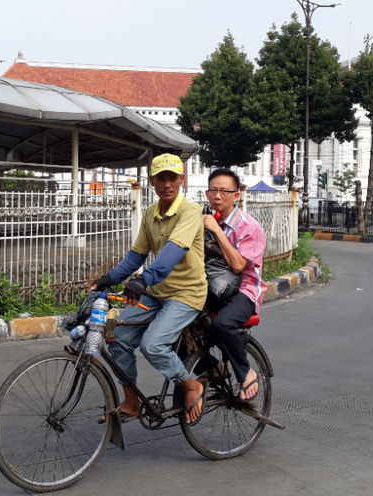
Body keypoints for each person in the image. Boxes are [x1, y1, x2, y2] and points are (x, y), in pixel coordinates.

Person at [91, 153, 208, 424]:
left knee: (153, 345)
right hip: (157, 293)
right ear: (151, 181)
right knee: (117, 336)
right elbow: (137, 255)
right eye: (161, 178)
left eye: (172, 178)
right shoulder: (150, 212)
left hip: (187, 294)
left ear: (182, 179)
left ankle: (191, 386)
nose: (167, 184)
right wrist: (110, 278)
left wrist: (143, 280)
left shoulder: (190, 211)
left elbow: (173, 252)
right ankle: (131, 401)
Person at [203, 168, 268, 402]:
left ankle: (245, 372)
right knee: (178, 323)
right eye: (213, 191)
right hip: (212, 289)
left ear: (236, 195)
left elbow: (238, 265)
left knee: (222, 323)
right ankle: (213, 367)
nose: (217, 196)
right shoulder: (205, 220)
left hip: (244, 291)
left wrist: (217, 231)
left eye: (224, 191)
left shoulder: (249, 227)